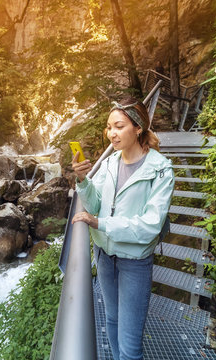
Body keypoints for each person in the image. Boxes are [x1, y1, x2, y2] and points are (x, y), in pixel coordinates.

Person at [71, 96, 174, 360]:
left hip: (134, 263)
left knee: (130, 346)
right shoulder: (109, 163)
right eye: (109, 127)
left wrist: (100, 223)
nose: (111, 134)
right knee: (112, 321)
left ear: (138, 128)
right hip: (105, 257)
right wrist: (83, 180)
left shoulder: (160, 170)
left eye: (118, 127)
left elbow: (151, 226)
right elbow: (94, 204)